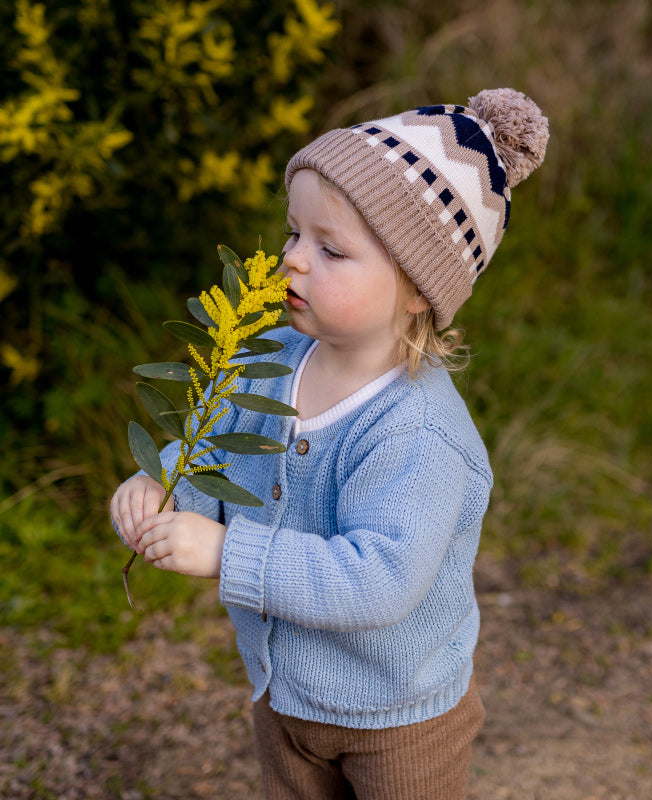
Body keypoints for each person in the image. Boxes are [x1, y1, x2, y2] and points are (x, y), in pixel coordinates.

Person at [110, 87, 548, 800]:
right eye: (293, 234)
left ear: (416, 289)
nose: (292, 261)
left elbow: (380, 577)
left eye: (330, 249)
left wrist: (225, 551)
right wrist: (163, 486)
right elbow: (217, 441)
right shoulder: (273, 359)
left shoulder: (418, 433)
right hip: (283, 695)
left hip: (401, 716)